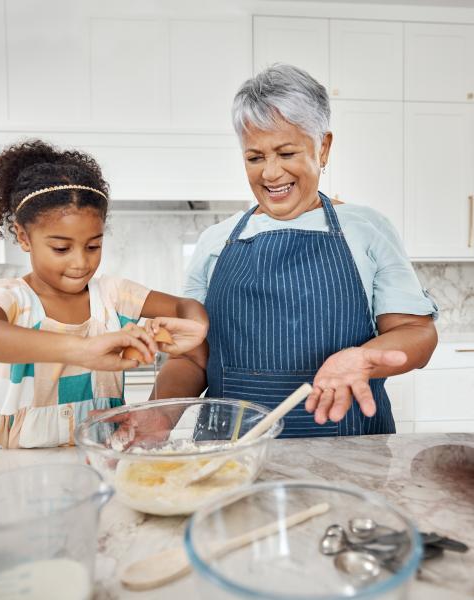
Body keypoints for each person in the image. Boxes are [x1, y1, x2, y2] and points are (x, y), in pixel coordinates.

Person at [155, 63, 438, 438]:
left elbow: (417, 332)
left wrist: (363, 360)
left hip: (347, 454)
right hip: (231, 456)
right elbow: (193, 356)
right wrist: (158, 416)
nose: (270, 174)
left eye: (286, 153)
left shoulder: (366, 230)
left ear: (323, 147)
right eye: (255, 157)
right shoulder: (215, 241)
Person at [0, 140, 208, 448]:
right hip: (16, 456)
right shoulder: (12, 296)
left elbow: (186, 306)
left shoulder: (113, 294)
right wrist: (80, 349)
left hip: (97, 452)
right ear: (23, 237)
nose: (80, 262)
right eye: (61, 248)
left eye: (93, 246)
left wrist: (188, 328)